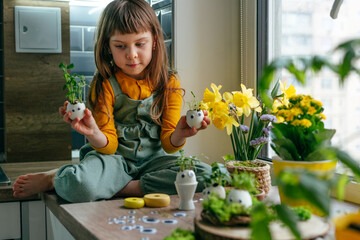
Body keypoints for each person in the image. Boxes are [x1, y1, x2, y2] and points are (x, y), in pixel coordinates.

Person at [12, 0, 211, 203]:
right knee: (80, 187)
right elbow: (108, 146)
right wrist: (93, 132)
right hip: (112, 161)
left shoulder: (169, 83)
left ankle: (122, 188)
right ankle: (55, 177)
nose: (131, 54)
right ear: (108, 46)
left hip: (156, 162)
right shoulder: (105, 84)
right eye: (120, 46)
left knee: (208, 176)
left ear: (154, 41)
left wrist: (180, 133)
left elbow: (170, 145)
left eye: (140, 44)